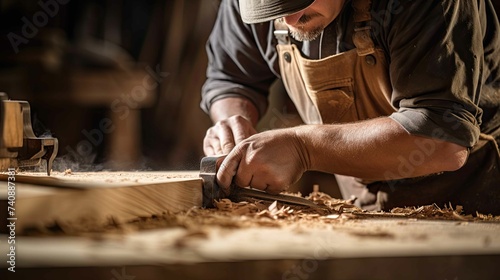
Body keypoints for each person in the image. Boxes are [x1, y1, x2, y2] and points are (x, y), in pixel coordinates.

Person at [200, 0, 500, 215]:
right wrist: (233, 123)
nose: (288, 21)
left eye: (296, 4)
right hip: (366, 207)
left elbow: (442, 138)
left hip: (472, 203)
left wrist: (302, 149)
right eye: (273, 10)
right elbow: (232, 78)